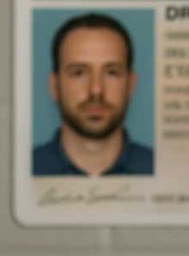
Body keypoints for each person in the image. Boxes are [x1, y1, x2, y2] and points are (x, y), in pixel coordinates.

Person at [33, 12, 153, 176]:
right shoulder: (27, 169)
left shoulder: (163, 170)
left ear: (131, 85)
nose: (96, 90)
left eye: (111, 72)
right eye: (79, 73)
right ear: (54, 86)